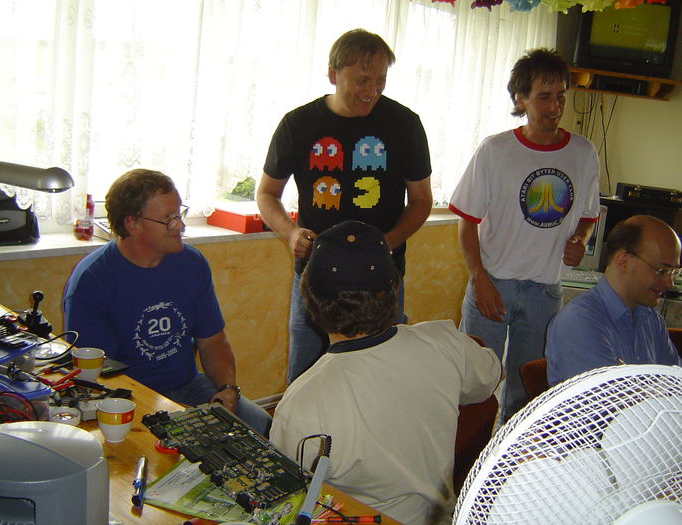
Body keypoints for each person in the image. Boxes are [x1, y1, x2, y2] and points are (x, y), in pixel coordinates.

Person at [269, 220, 501, 525]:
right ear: (394, 287)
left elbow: (288, 498)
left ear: (309, 298)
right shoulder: (445, 342)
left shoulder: (301, 405)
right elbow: (492, 376)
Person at [256, 28, 433, 383]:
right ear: (333, 75)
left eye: (381, 81)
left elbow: (421, 200)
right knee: (305, 380)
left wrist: (386, 242)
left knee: (379, 380)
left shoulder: (404, 124)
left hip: (381, 279)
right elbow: (266, 194)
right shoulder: (298, 124)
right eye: (362, 80)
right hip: (315, 277)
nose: (372, 92)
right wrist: (291, 234)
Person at [448, 48, 601, 424]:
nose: (556, 107)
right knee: (473, 388)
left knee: (526, 393)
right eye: (544, 97)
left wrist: (580, 240)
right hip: (492, 284)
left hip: (544, 293)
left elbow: (587, 216)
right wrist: (479, 279)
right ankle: (467, 455)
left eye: (561, 96)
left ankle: (512, 457)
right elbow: (466, 223)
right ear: (521, 100)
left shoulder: (583, 154)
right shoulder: (495, 150)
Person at [63, 169, 271, 436]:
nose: (180, 225)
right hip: (127, 398)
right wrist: (170, 411)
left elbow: (213, 341)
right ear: (133, 224)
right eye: (169, 219)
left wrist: (227, 389)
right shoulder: (92, 280)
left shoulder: (191, 263)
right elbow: (99, 377)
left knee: (263, 426)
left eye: (179, 214)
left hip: (188, 386)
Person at [546, 215, 682, 385]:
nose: (669, 283)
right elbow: (611, 399)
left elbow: (675, 385)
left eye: (674, 273)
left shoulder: (652, 320)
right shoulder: (579, 321)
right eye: (662, 270)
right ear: (623, 261)